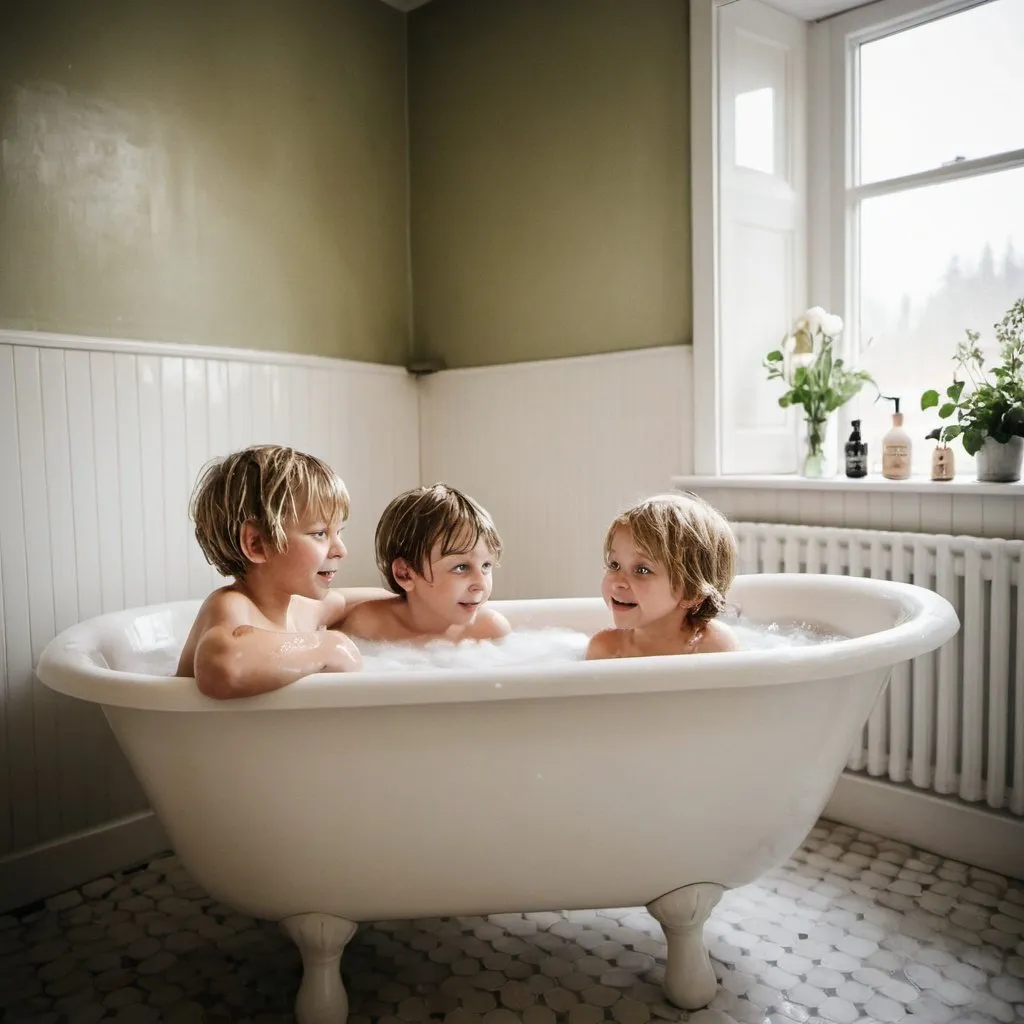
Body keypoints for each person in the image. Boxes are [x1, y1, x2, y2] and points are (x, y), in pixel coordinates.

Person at [175, 445, 387, 698]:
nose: (340, 550)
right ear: (257, 544)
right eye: (319, 533)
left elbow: (351, 602)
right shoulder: (231, 606)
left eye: (338, 533)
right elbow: (222, 663)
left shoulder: (298, 608)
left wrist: (416, 598)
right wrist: (328, 645)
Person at [342, 483, 511, 643]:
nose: (481, 585)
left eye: (486, 565)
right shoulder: (369, 626)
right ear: (405, 574)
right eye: (461, 567)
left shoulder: (488, 630)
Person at [586, 493, 739, 660]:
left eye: (642, 570)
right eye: (614, 565)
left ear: (692, 592)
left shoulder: (713, 645)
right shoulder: (607, 649)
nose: (618, 583)